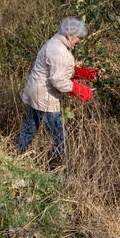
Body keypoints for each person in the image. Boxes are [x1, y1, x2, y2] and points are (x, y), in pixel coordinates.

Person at [16, 16, 99, 167]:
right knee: (60, 135)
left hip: (37, 92)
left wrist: (83, 74)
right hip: (45, 97)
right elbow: (58, 81)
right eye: (79, 38)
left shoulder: (56, 43)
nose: (80, 41)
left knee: (30, 128)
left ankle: (16, 155)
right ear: (70, 36)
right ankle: (56, 164)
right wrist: (80, 90)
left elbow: (58, 70)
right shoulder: (59, 51)